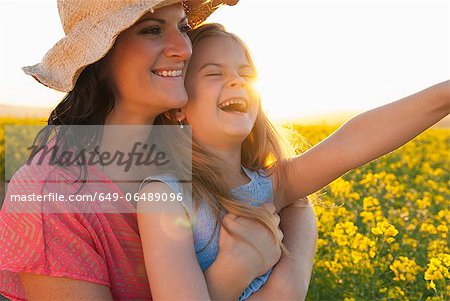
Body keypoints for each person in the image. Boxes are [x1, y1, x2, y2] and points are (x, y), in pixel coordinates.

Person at [0, 1, 318, 300]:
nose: (184, 48)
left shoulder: (196, 151)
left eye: (182, 27)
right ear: (98, 57)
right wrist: (233, 271)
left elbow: (290, 197)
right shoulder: (49, 196)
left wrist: (292, 275)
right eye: (152, 29)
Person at [136, 23, 450, 300]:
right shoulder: (164, 196)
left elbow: (354, 141)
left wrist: (443, 96)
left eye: (246, 74)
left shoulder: (274, 183)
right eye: (214, 73)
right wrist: (235, 267)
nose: (236, 82)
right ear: (179, 107)